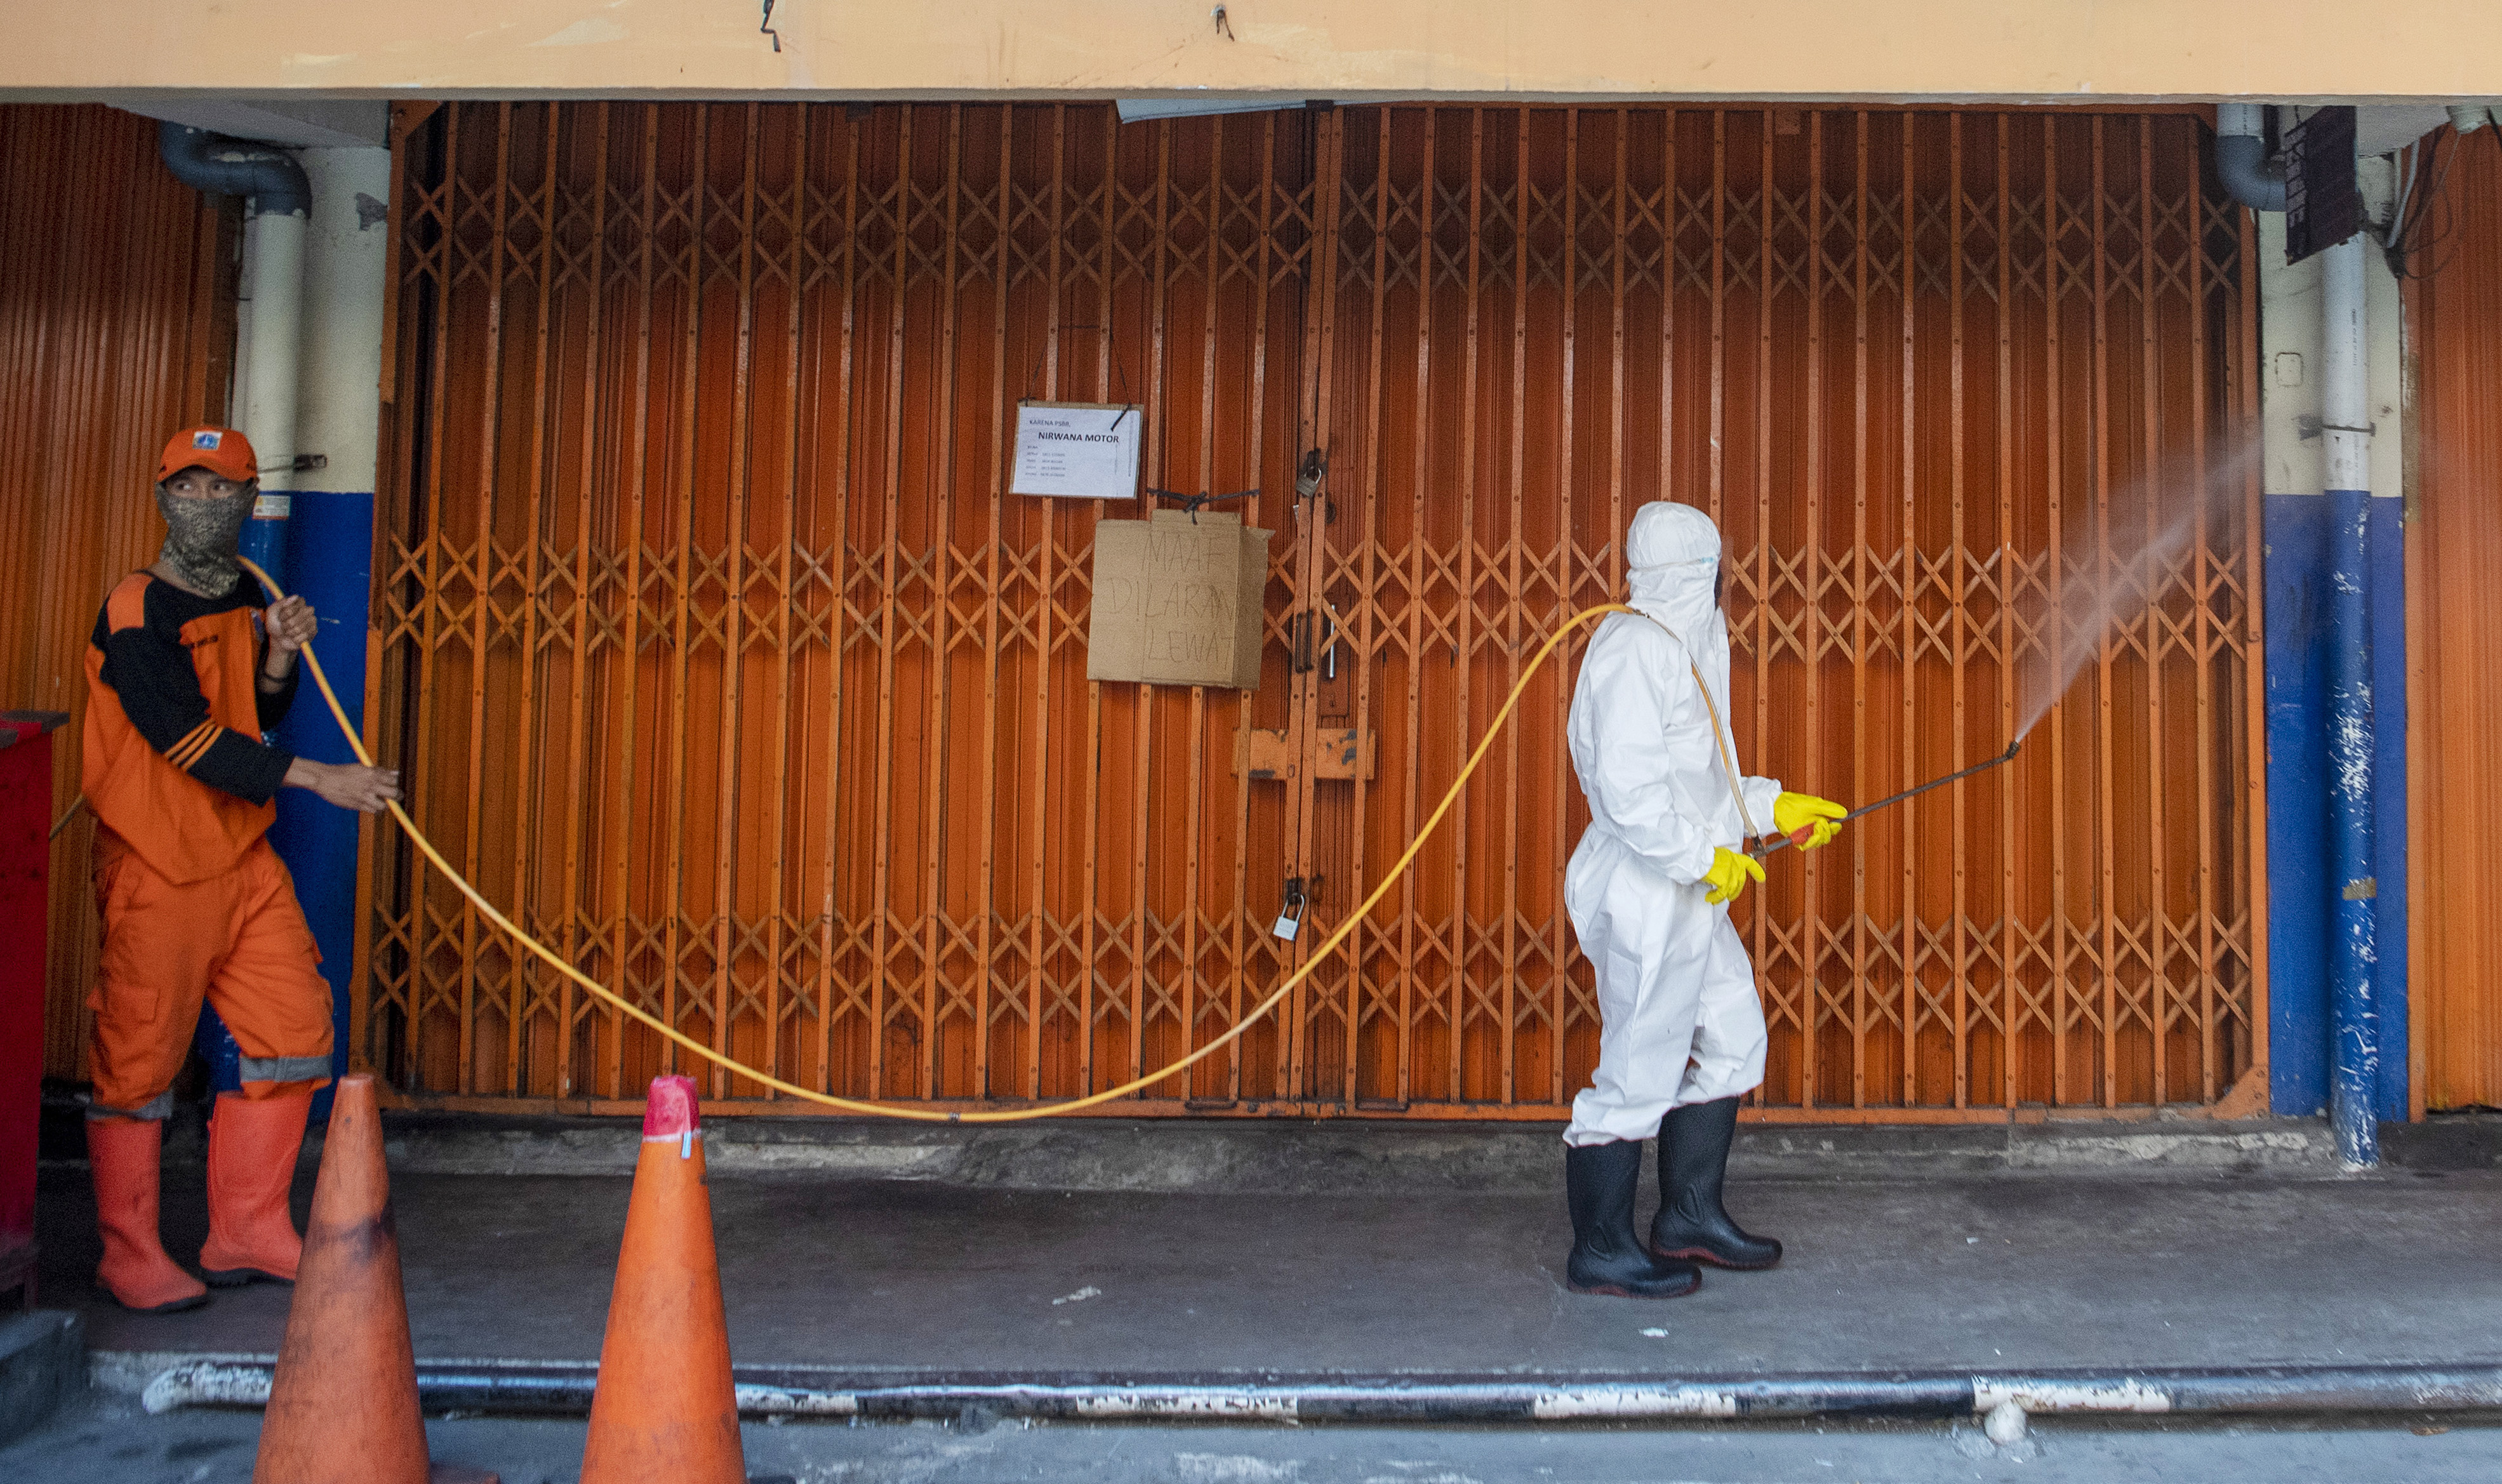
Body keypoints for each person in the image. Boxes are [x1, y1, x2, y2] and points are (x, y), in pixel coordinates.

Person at [80, 425, 402, 1313]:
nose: (204, 504)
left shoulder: (241, 595)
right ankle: (130, 1250)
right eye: (188, 487)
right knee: (137, 1062)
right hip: (159, 863)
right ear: (162, 496)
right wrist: (317, 776)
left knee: (296, 1023)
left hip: (239, 853)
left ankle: (249, 1227)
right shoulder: (135, 607)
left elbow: (255, 709)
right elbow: (184, 736)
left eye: (222, 490)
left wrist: (279, 654)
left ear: (248, 501)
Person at [1559, 500, 1845, 1299]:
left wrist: (1771, 807)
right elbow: (1629, 793)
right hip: (1647, 889)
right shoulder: (1631, 649)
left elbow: (1701, 780)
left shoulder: (1686, 645)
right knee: (1638, 1066)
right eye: (1717, 573)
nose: (1725, 587)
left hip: (1687, 886)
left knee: (1732, 1037)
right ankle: (1601, 1247)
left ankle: (1687, 1215)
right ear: (1696, 574)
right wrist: (1700, 857)